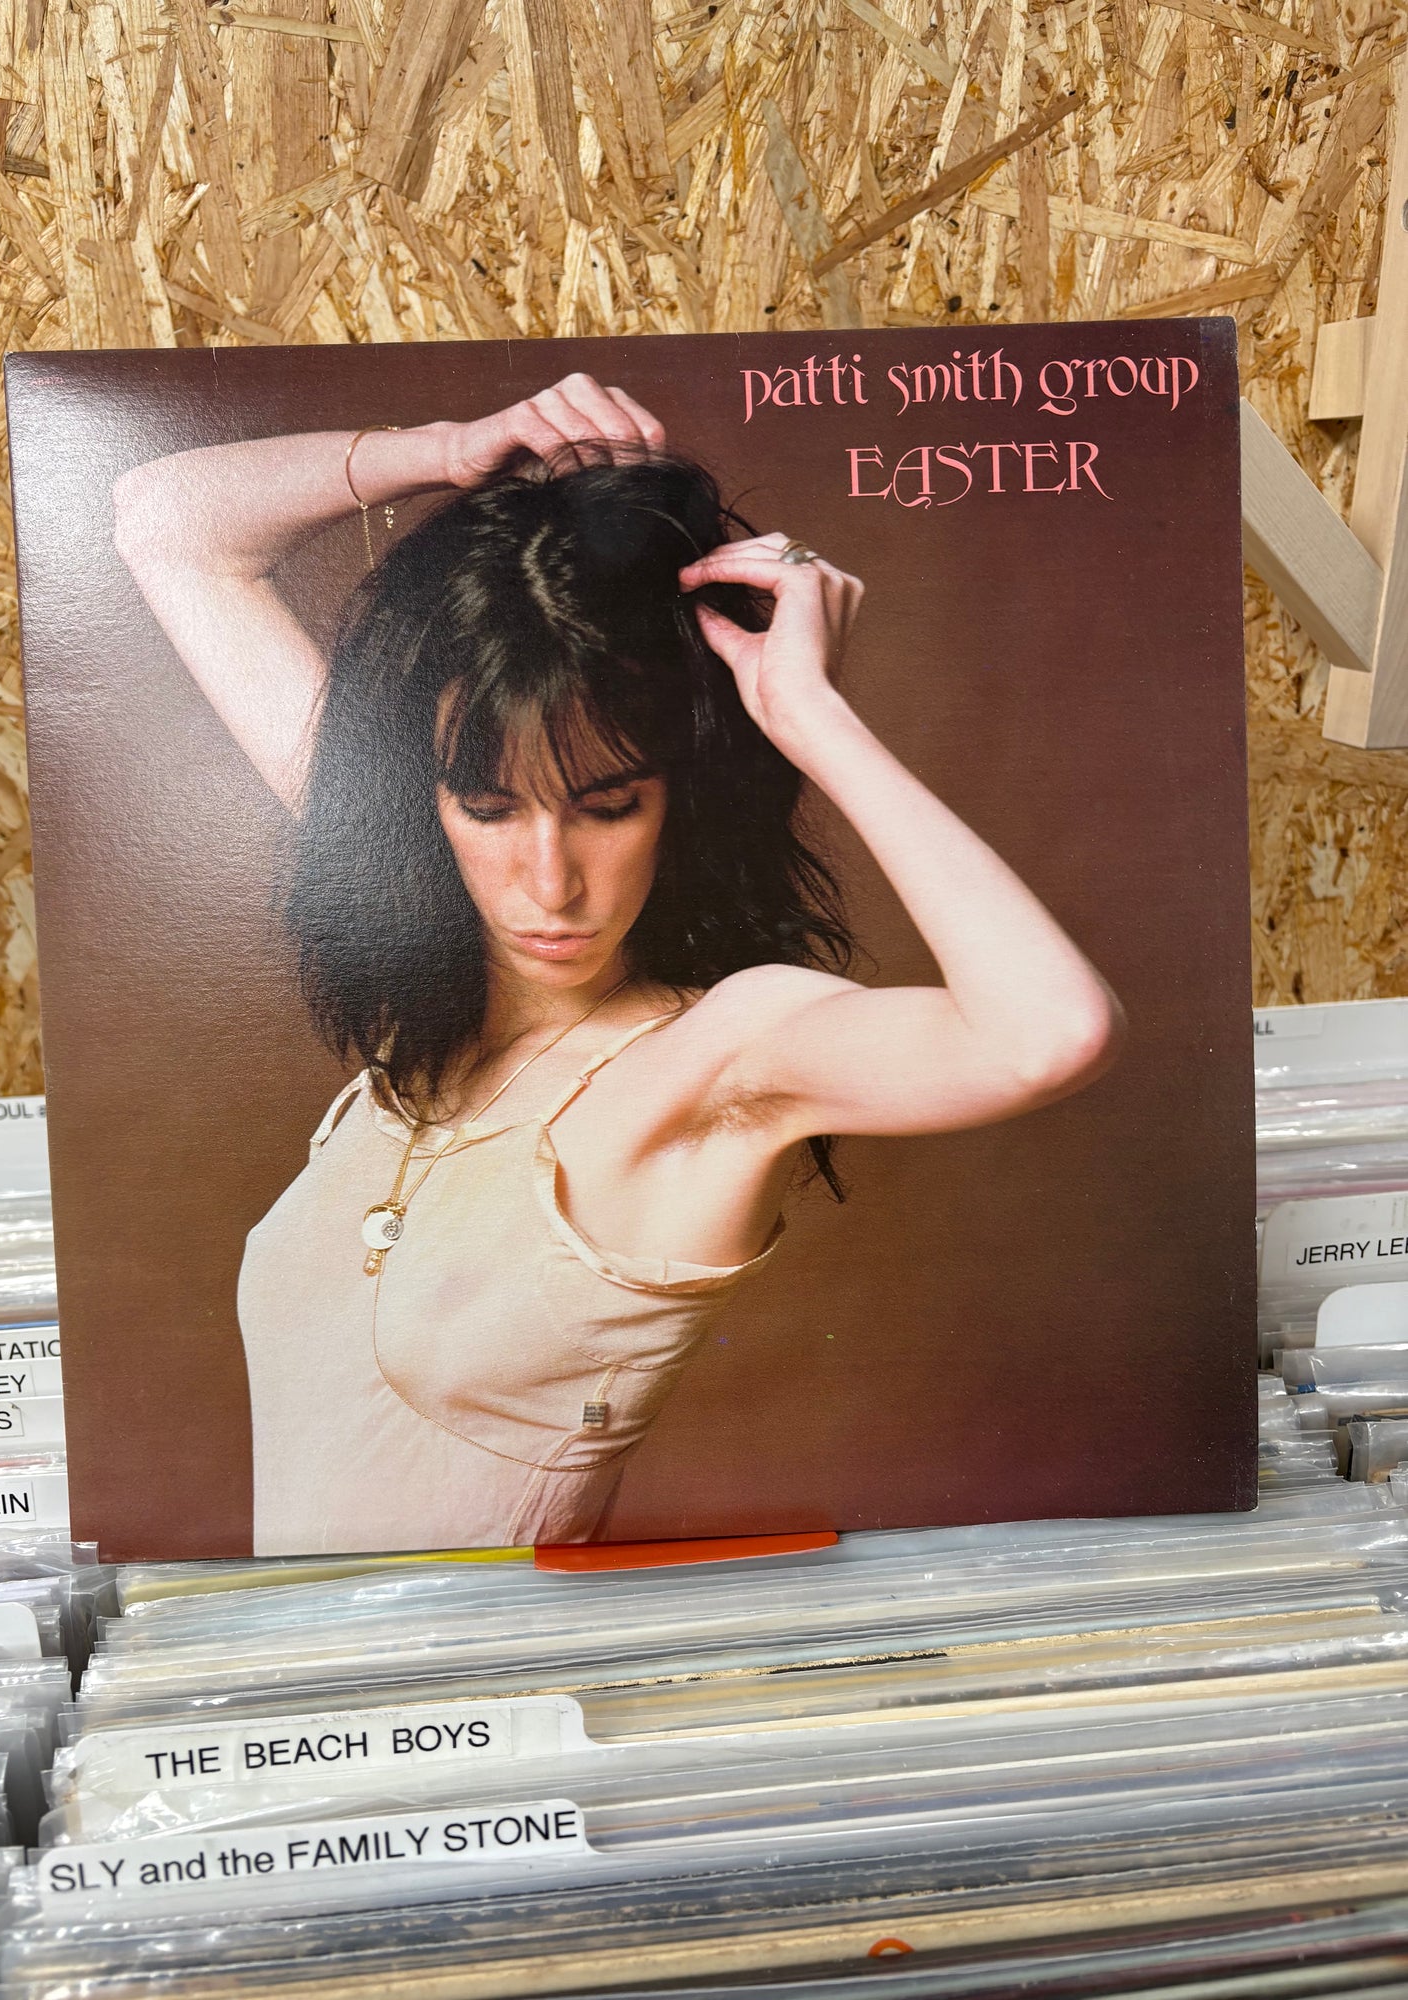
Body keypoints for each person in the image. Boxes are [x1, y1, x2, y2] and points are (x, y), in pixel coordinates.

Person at [111, 372, 1124, 1556]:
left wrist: (808, 717)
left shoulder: (720, 1057)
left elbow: (1051, 1031)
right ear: (431, 804)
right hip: (291, 1664)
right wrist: (447, 446)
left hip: (494, 1673)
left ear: (676, 797)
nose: (548, 882)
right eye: (488, 806)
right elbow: (165, 522)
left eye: (606, 807)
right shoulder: (427, 972)